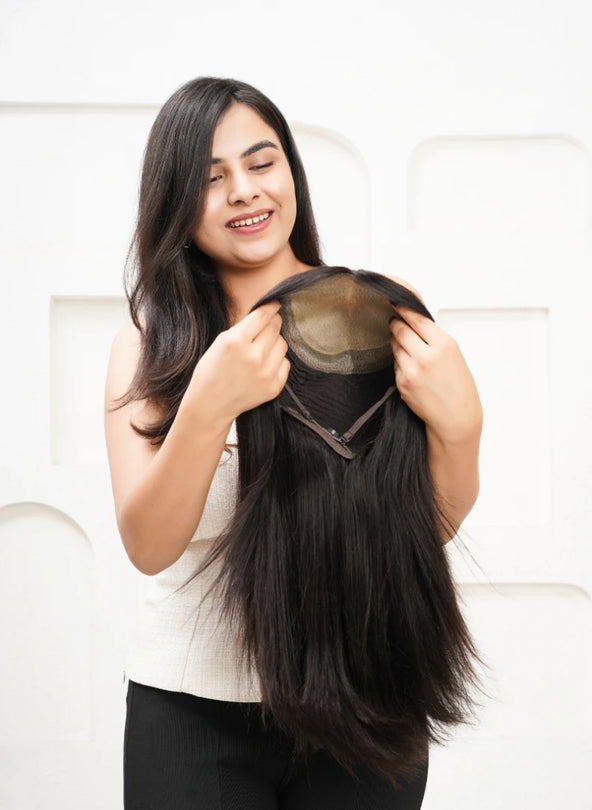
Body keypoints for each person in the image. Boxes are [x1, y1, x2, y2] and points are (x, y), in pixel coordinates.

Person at [104, 77, 483, 810]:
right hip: (190, 712)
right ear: (175, 201)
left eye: (262, 162)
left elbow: (424, 526)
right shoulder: (150, 343)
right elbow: (148, 545)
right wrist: (209, 405)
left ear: (291, 173)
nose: (245, 191)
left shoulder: (375, 309)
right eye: (211, 178)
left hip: (366, 699)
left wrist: (463, 428)